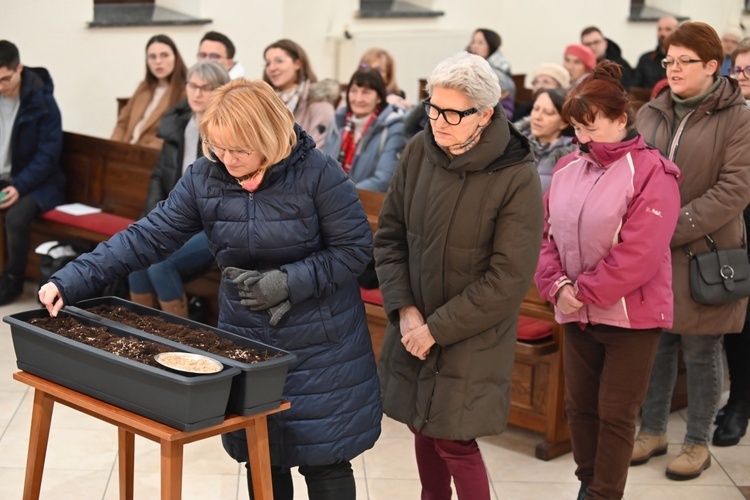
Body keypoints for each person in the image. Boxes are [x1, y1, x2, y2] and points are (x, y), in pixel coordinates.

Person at [39, 78, 382, 500]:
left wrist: (288, 282)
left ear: (269, 137)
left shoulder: (317, 174)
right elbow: (148, 236)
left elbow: (355, 251)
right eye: (218, 147)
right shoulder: (206, 177)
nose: (227, 159)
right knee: (263, 456)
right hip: (248, 339)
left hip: (321, 345)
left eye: (238, 149)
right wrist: (70, 279)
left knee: (325, 459)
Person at [374, 51, 543, 500]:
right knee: (422, 426)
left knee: (454, 437)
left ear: (486, 115)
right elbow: (390, 238)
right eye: (432, 107)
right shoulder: (418, 151)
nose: (438, 121)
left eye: (453, 112)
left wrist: (436, 329)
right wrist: (406, 311)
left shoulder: (516, 175)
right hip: (415, 323)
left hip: (471, 333)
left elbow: (508, 278)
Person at [535, 60, 681, 500]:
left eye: (590, 126)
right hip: (577, 311)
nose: (581, 138)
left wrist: (585, 291)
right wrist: (557, 285)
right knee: (578, 409)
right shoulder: (565, 168)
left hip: (630, 317)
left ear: (622, 119)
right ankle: (587, 485)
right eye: (575, 128)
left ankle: (603, 495)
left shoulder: (653, 172)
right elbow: (547, 237)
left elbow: (640, 252)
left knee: (615, 414)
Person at [632, 21, 750, 481]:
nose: (674, 69)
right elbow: (634, 173)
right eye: (669, 60)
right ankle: (653, 430)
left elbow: (734, 190)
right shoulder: (653, 111)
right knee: (656, 345)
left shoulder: (737, 116)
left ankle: (697, 440)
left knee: (702, 350)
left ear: (711, 66)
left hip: (705, 251)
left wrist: (665, 228)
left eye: (684, 61)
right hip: (654, 253)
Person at [127, 61, 230, 317]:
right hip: (176, 217)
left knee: (160, 264)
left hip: (213, 226)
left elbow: (221, 198)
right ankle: (140, 332)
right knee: (136, 256)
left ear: (221, 91)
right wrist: (151, 220)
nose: (197, 93)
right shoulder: (179, 124)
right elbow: (159, 176)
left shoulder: (225, 133)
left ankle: (177, 339)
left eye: (206, 88)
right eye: (193, 86)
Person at [0, 40, 64, 306]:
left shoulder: (43, 101)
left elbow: (48, 156)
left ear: (19, 69)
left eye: (5, 79)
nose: (0, 87)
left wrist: (20, 186)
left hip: (39, 182)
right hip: (5, 177)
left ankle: (14, 277)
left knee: (15, 218)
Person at [712, 37, 750, 447]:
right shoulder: (726, 114)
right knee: (736, 317)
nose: (740, 78)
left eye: (749, 71)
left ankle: (740, 400)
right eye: (735, 70)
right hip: (728, 225)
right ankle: (737, 398)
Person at [322, 68, 407, 192]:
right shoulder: (337, 122)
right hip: (331, 202)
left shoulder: (394, 127)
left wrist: (343, 194)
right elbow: (323, 167)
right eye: (353, 91)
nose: (358, 99)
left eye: (366, 92)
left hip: (370, 206)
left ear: (379, 98)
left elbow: (384, 179)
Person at [111, 34, 187, 149]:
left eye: (164, 55)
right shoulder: (144, 87)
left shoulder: (184, 91)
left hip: (150, 156)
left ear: (175, 58)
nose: (158, 61)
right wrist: (112, 147)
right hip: (124, 150)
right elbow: (123, 123)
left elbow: (173, 135)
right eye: (152, 56)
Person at [263, 39, 335, 150]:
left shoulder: (318, 103)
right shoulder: (264, 102)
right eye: (268, 63)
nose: (272, 68)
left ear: (297, 64)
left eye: (279, 61)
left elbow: (318, 153)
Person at [524, 88, 575, 193]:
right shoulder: (514, 143)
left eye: (548, 113)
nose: (537, 117)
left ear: (563, 123)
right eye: (536, 108)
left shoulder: (571, 156)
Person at [467, 28, 516, 117]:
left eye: (480, 43)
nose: (474, 46)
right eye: (473, 42)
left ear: (491, 46)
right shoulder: (467, 66)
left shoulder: (498, 74)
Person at [631, 15, 679, 91]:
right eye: (659, 29)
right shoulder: (645, 59)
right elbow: (634, 90)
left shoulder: (681, 60)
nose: (662, 34)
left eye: (668, 29)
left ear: (677, 32)